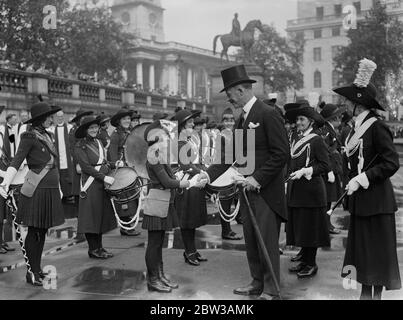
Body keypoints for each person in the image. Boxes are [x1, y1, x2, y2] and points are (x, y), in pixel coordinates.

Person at [199, 65, 289, 300]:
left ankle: (270, 289)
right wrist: (207, 175)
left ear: (240, 90)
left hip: (266, 193)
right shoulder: (242, 119)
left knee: (266, 242)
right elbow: (231, 155)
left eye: (229, 92)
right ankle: (257, 282)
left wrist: (257, 179)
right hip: (248, 192)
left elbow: (282, 154)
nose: (227, 97)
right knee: (251, 240)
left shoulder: (268, 114)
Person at [334, 58, 401, 300]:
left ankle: (374, 297)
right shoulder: (354, 129)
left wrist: (363, 178)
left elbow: (391, 162)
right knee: (363, 255)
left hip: (377, 203)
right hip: (361, 203)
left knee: (377, 257)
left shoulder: (377, 127)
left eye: (348, 101)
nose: (345, 104)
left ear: (358, 104)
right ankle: (365, 294)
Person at [0, 103, 65, 286]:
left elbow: (53, 164)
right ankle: (31, 272)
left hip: (50, 188)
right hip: (37, 188)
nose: (51, 119)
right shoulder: (28, 136)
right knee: (35, 231)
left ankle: (37, 269)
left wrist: (59, 187)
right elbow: (17, 160)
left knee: (42, 230)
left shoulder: (48, 135)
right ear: (41, 119)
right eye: (49, 116)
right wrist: (5, 183)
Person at [142, 119, 207, 293]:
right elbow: (166, 181)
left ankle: (160, 276)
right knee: (154, 244)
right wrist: (184, 183)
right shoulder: (153, 157)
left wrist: (179, 180)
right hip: (157, 202)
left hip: (163, 201)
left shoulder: (158, 155)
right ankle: (153, 279)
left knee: (158, 243)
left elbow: (169, 178)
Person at [285, 104, 330, 278]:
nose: (298, 122)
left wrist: (306, 171)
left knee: (310, 229)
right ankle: (304, 260)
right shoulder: (296, 138)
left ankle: (311, 263)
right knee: (302, 227)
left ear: (310, 121)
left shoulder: (316, 139)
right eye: (297, 120)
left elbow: (325, 165)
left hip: (312, 191)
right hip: (298, 190)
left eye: (302, 119)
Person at [75, 115, 117, 259]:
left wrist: (114, 164)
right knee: (90, 218)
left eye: (95, 127)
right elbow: (86, 167)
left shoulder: (98, 142)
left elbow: (103, 162)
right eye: (91, 127)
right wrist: (104, 177)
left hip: (100, 184)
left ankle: (99, 247)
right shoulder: (80, 145)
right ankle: (93, 249)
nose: (94, 130)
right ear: (86, 129)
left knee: (99, 217)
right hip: (91, 184)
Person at [172, 109, 209, 266]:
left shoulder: (188, 141)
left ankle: (192, 250)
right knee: (187, 221)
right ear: (181, 126)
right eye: (190, 123)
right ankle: (189, 252)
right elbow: (185, 165)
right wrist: (202, 172)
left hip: (193, 184)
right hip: (186, 186)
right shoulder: (179, 143)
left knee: (192, 220)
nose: (193, 125)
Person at [108, 108, 140, 237]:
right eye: (124, 119)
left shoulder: (129, 132)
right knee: (124, 199)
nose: (127, 121)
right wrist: (117, 165)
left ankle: (129, 224)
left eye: (128, 119)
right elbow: (112, 154)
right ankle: (125, 226)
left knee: (131, 197)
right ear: (119, 121)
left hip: (130, 167)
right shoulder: (116, 135)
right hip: (121, 169)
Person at [320, 104, 343, 234]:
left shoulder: (330, 129)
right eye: (337, 116)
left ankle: (327, 223)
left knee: (329, 199)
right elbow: (325, 151)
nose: (339, 118)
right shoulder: (326, 130)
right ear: (332, 117)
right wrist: (329, 170)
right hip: (328, 170)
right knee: (327, 199)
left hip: (332, 168)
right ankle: (325, 224)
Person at [68, 109, 94, 206]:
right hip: (79, 163)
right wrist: (77, 163)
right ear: (78, 120)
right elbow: (73, 148)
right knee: (79, 190)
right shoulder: (73, 131)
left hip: (89, 162)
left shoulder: (88, 130)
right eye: (83, 117)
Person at [49, 110, 74, 205]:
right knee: (60, 176)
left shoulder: (69, 128)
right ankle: (61, 194)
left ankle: (69, 194)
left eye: (61, 116)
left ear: (64, 117)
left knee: (68, 175)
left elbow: (72, 143)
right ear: (55, 118)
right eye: (58, 116)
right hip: (57, 157)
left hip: (67, 156)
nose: (60, 118)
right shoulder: (51, 129)